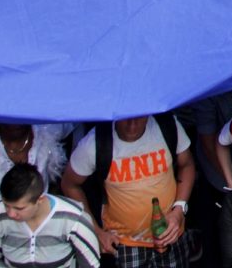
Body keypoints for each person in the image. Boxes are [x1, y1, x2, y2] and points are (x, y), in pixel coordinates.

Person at [59, 115, 196, 268]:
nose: (132, 126)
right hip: (123, 241)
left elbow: (187, 164)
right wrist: (96, 231)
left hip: (170, 234)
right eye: (125, 119)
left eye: (139, 118)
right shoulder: (95, 143)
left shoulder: (167, 125)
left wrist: (179, 210)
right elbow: (69, 184)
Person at [0, 163, 100, 268]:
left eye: (19, 208)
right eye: (6, 205)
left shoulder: (74, 219)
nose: (10, 213)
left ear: (40, 200)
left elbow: (91, 265)